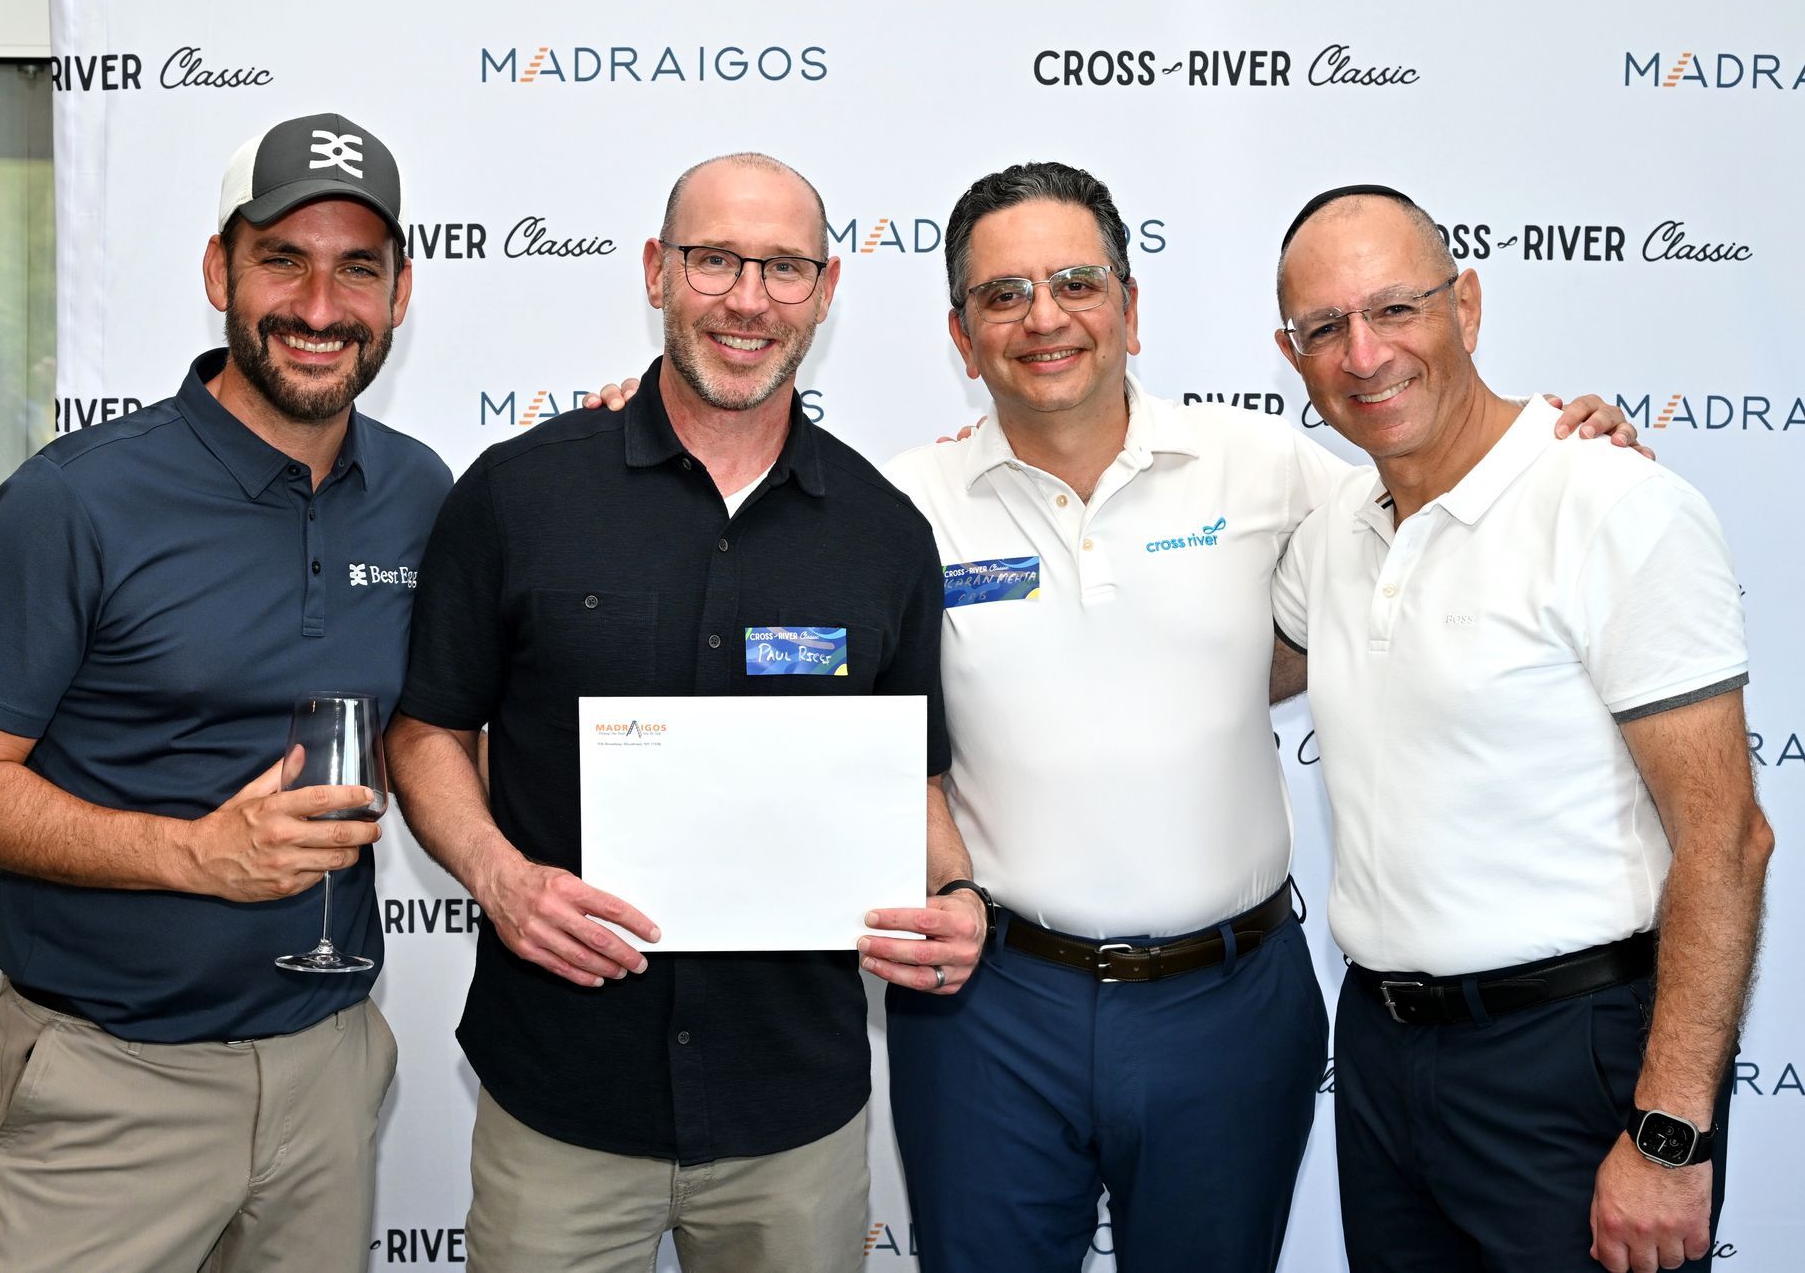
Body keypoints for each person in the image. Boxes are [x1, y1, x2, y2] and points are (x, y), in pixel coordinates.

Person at [586, 161, 1643, 1273]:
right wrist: (645, 420)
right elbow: (804, 651)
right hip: (989, 1011)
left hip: (1231, 1003)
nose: (1044, 318)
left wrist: (1555, 449)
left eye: (1077, 284)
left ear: (1131, 311)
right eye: (1003, 295)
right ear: (961, 336)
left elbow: (1432, 510)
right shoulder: (894, 507)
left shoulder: (1269, 466)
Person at [383, 152, 978, 1273]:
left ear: (827, 289)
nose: (748, 299)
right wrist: (500, 878)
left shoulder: (884, 532)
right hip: (561, 1095)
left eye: (784, 268)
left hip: (792, 1116)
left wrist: (954, 895)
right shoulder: (518, 493)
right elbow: (426, 731)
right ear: (657, 270)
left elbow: (914, 777)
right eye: (714, 260)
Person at [0, 112, 449, 1271]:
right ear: (219, 271)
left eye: (358, 268)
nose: (320, 305)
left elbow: (434, 731)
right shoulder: (75, 501)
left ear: (401, 292)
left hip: (326, 1065)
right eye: (282, 260)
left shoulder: (418, 492)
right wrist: (193, 852)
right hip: (112, 1082)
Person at [1269, 185, 1772, 1273]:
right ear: (1291, 355)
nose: (1365, 352)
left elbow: (1727, 839)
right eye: (1325, 327)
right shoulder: (1333, 533)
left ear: (1467, 305)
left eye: (1396, 308)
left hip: (1573, 1061)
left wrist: (1671, 1134)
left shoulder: (1611, 503)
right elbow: (1207, 676)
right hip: (1382, 1057)